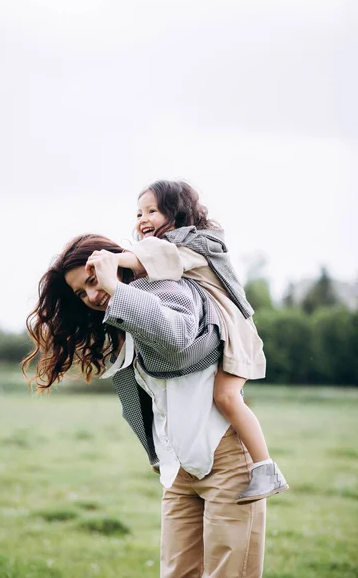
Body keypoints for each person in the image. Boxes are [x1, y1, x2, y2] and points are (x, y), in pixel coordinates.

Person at [23, 233, 266, 577]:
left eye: (93, 280)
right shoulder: (127, 321)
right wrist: (158, 454)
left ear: (114, 263)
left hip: (226, 461)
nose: (92, 295)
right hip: (180, 471)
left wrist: (115, 286)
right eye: (81, 292)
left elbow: (178, 338)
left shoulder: (170, 289)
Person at [109, 180, 288, 504]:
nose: (142, 219)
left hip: (234, 333)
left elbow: (151, 257)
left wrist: (111, 263)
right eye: (138, 213)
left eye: (152, 210)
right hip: (214, 330)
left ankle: (265, 467)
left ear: (176, 213)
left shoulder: (191, 246)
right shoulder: (173, 248)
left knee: (226, 396)